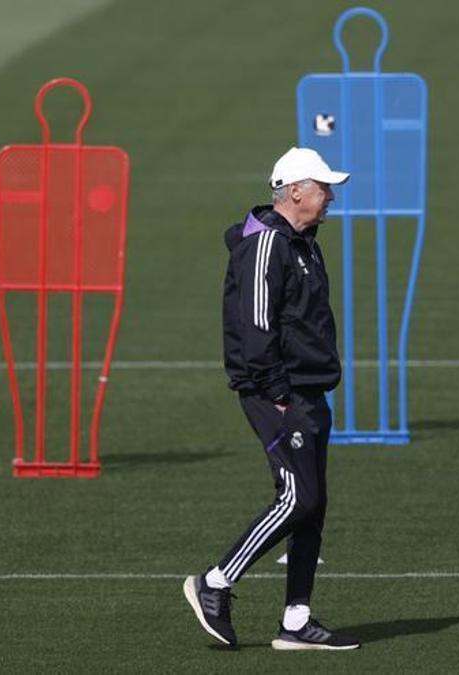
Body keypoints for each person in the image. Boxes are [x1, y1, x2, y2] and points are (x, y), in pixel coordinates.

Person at [183, 147, 360, 651]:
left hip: (307, 389)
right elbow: (256, 327)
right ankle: (214, 583)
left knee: (312, 505)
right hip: (275, 392)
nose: (330, 197)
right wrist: (277, 392)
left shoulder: (303, 243)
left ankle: (296, 621)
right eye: (324, 188)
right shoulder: (267, 247)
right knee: (296, 498)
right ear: (296, 191)